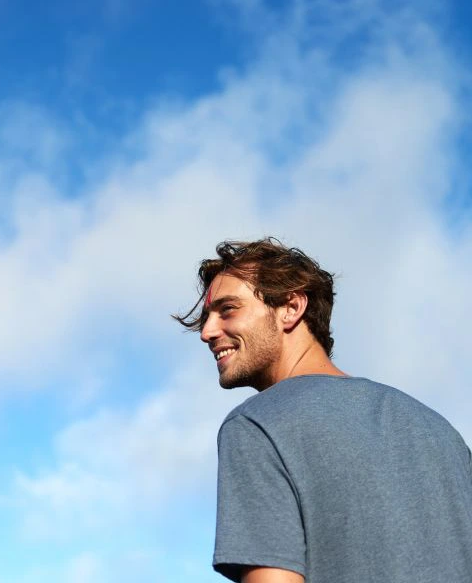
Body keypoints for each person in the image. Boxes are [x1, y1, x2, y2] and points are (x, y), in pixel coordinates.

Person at [175, 238, 472, 583]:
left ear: (291, 307)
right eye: (206, 318)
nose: (207, 332)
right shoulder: (441, 434)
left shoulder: (257, 425)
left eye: (227, 309)